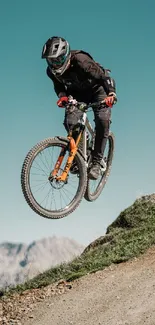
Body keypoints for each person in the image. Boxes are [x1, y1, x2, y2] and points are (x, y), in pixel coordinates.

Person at [41, 36, 117, 180]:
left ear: (66, 55)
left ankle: (96, 162)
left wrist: (111, 93)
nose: (54, 64)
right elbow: (58, 86)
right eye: (51, 60)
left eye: (57, 60)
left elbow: (104, 77)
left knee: (102, 120)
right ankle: (79, 155)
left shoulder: (82, 61)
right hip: (77, 94)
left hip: (98, 92)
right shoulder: (50, 71)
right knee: (70, 122)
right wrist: (62, 96)